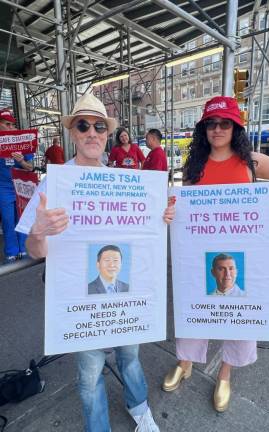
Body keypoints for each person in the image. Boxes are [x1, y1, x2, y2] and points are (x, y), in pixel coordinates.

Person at [15, 93, 172, 432]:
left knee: (130, 355)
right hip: (79, 298)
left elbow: (144, 234)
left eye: (99, 126)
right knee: (89, 373)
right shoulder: (54, 182)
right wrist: (39, 232)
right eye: (83, 125)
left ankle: (139, 406)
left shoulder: (123, 180)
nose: (92, 132)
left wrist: (162, 216)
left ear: (107, 134)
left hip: (125, 291)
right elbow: (35, 251)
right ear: (73, 132)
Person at [162, 96, 269, 413]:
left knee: (239, 317)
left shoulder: (251, 162)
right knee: (194, 308)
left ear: (235, 128)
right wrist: (173, 212)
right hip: (201, 254)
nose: (217, 129)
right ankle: (185, 361)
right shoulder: (194, 167)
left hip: (241, 255)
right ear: (203, 129)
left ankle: (225, 373)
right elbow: (185, 211)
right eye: (211, 124)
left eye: (224, 123)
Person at [0, 108, 34, 264]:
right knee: (8, 221)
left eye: (11, 124)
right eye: (6, 124)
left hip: (21, 187)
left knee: (23, 220)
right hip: (3, 189)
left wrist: (21, 161)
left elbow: (31, 167)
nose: (10, 127)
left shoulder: (21, 140)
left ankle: (24, 249)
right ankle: (11, 252)